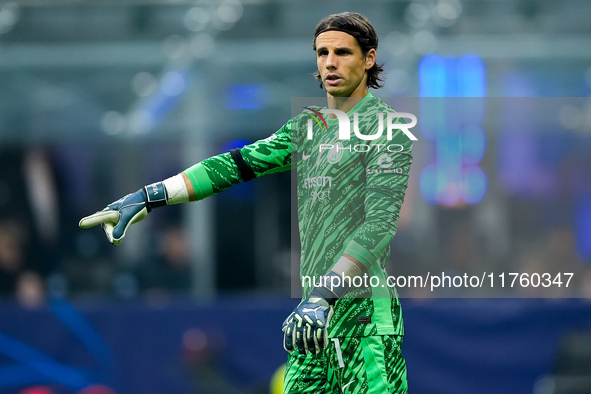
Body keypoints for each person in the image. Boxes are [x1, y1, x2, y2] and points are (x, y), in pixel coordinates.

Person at [80, 12, 413, 393]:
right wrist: (151, 195)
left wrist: (323, 296)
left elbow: (379, 225)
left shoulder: (387, 129)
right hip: (312, 322)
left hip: (363, 320)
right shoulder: (308, 127)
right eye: (322, 53)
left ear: (369, 59)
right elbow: (236, 165)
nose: (330, 63)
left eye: (342, 52)